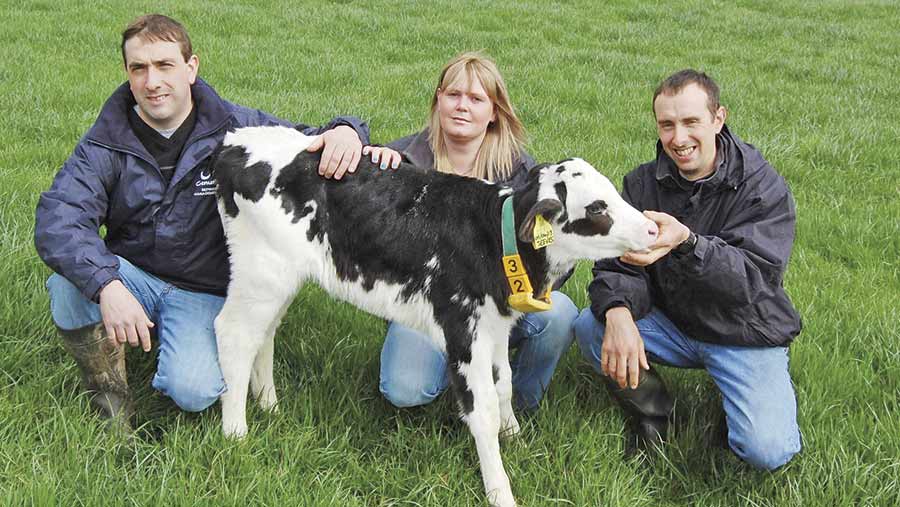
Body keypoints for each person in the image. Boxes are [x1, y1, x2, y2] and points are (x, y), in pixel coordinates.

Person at [34, 14, 370, 430]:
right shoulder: (106, 140)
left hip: (204, 290)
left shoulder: (234, 128)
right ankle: (111, 403)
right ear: (127, 73)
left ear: (191, 68)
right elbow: (59, 216)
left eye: (164, 65)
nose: (152, 81)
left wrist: (347, 131)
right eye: (139, 68)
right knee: (70, 283)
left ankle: (172, 343)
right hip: (133, 276)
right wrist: (106, 284)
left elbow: (307, 140)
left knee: (193, 391)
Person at [573, 69, 802, 470]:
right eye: (667, 125)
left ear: (718, 119)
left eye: (691, 122)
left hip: (742, 331)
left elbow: (749, 283)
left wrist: (688, 243)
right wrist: (619, 311)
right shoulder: (643, 183)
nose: (678, 139)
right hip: (674, 324)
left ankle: (738, 400)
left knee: (767, 450)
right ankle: (657, 412)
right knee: (591, 327)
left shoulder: (762, 188)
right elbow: (615, 260)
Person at [364, 52, 578, 412]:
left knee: (558, 315)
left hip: (501, 299)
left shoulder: (521, 173)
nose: (462, 106)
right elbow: (372, 249)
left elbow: (557, 248)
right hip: (423, 307)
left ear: (494, 111)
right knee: (405, 390)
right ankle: (459, 376)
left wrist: (515, 289)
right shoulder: (401, 160)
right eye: (453, 95)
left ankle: (513, 404)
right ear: (438, 99)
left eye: (476, 99)